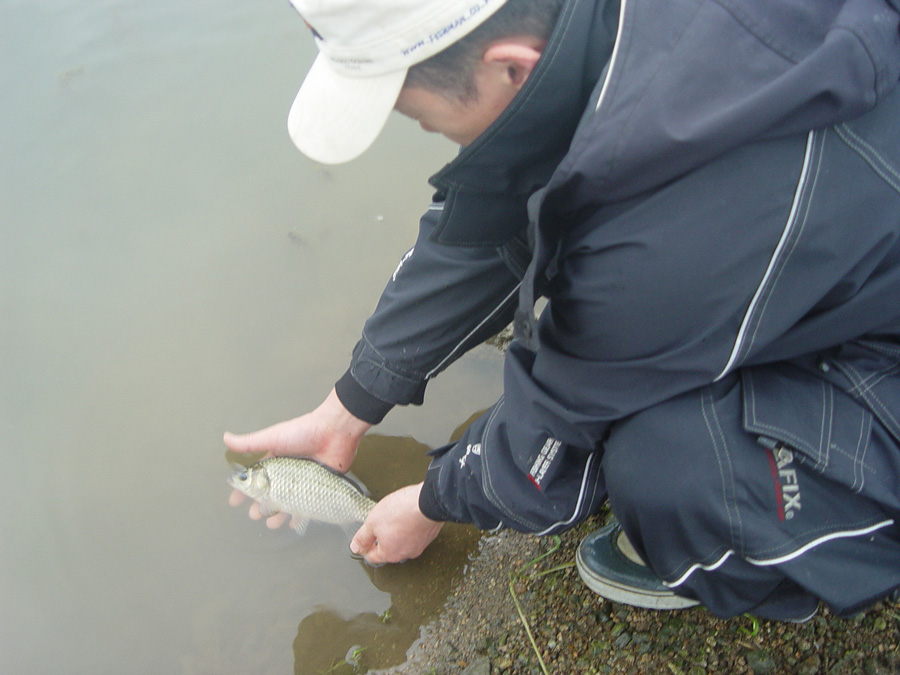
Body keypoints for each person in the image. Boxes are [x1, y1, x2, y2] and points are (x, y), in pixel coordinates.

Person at [226, 0, 900, 621]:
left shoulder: (654, 242)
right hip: (838, 253)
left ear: (509, 66)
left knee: (669, 466)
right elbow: (489, 214)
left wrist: (431, 501)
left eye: (422, 118)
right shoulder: (608, 42)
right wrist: (349, 406)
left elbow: (552, 429)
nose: (431, 133)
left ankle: (769, 556)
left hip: (881, 356)